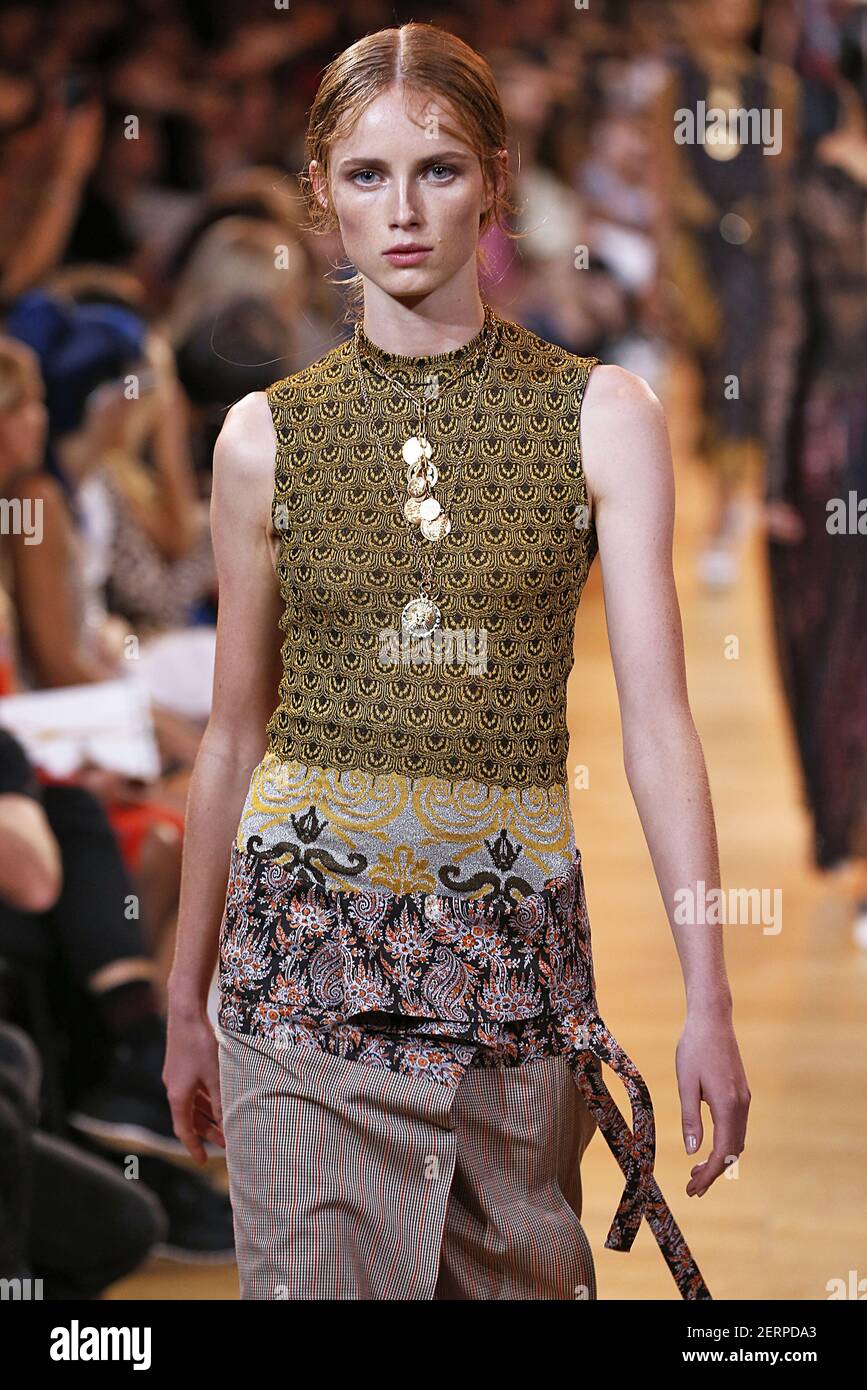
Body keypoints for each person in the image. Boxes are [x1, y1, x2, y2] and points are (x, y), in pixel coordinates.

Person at [165, 22, 749, 1301]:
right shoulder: (263, 439)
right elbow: (232, 732)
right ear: (320, 193)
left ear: (492, 176)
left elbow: (659, 725)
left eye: (437, 169)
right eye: (367, 176)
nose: (404, 210)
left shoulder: (604, 415)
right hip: (297, 965)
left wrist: (708, 994)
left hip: (515, 972)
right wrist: (182, 994)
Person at [761, 69, 867, 932]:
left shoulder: (806, 189)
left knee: (839, 647)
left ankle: (854, 836)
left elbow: (786, 334)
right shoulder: (802, 188)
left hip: (833, 439)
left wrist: (771, 480)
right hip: (839, 444)